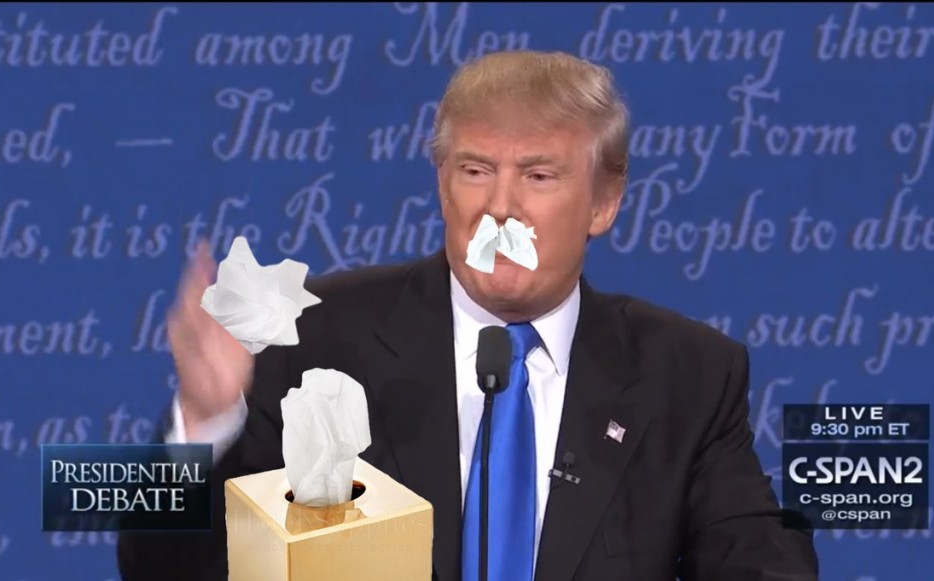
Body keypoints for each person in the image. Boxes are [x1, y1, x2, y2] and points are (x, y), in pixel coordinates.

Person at [116, 50, 819, 581]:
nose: (500, 207)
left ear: (604, 203)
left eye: (538, 176)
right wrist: (204, 427)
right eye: (476, 170)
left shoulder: (686, 374)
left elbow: (760, 560)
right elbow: (160, 567)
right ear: (442, 185)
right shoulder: (316, 338)